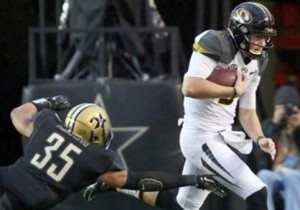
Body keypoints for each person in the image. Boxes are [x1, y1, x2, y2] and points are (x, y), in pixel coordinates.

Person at [0, 95, 225, 210]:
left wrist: (48, 102)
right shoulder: (95, 160)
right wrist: (192, 179)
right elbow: (142, 182)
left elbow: (18, 114)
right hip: (26, 201)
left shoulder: (47, 125)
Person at [175, 2, 277, 210]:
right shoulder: (216, 42)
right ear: (241, 32)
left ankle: (127, 184)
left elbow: (247, 113)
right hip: (200, 136)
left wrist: (260, 138)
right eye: (257, 36)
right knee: (258, 192)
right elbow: (190, 86)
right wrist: (232, 91)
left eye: (266, 37)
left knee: (185, 206)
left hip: (220, 136)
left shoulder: (257, 60)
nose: (262, 43)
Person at [257, 85, 300, 210]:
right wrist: (276, 124)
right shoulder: (268, 126)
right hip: (277, 173)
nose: (288, 112)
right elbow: (260, 150)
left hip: (296, 174)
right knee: (263, 175)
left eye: (291, 108)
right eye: (283, 107)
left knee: (290, 175)